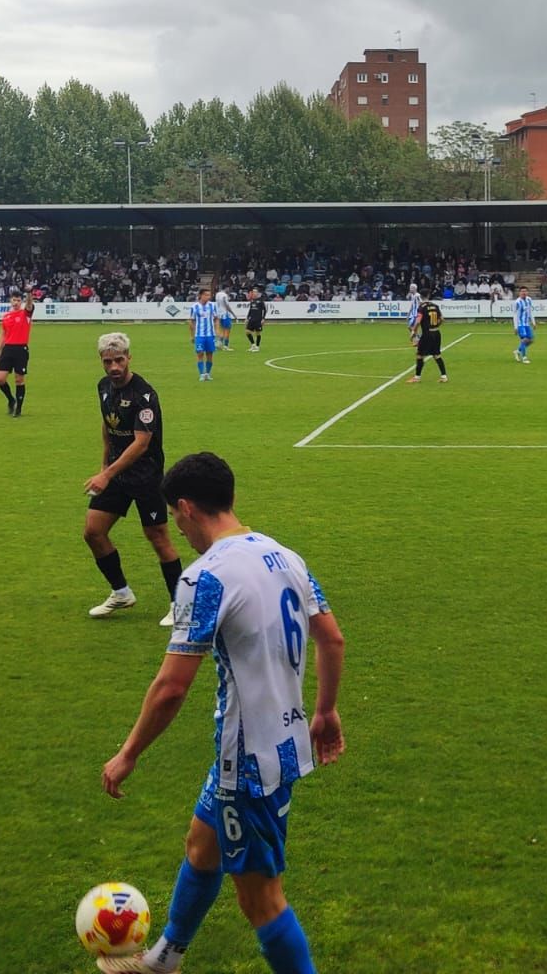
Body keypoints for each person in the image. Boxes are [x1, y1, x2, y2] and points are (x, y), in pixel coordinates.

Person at [99, 451, 346, 974]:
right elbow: (333, 638)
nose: (177, 529)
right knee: (201, 845)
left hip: (249, 762)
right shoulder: (285, 556)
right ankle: (164, 960)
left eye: (175, 516)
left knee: (262, 901)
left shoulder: (204, 577)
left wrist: (128, 754)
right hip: (284, 742)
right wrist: (324, 712)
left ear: (186, 508)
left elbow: (170, 688)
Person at [85, 332, 184, 627]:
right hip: (116, 473)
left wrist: (106, 473)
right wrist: (104, 464)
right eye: (107, 361)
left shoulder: (144, 395)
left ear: (129, 358)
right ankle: (121, 592)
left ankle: (180, 604)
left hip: (145, 475)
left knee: (157, 537)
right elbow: (107, 425)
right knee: (93, 532)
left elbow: (141, 443)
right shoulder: (103, 387)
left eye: (119, 360)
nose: (114, 367)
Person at [0, 293, 33, 416]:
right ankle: (11, 399)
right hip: (8, 349)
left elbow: (30, 305)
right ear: (10, 301)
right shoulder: (6, 316)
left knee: (19, 379)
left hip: (21, 349)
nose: (16, 302)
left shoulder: (25, 313)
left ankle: (19, 409)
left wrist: (29, 294)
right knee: (0, 379)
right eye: (14, 300)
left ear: (22, 302)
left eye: (18, 300)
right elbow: (3, 334)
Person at [407, 297, 447, 384]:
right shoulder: (435, 306)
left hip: (427, 334)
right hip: (436, 333)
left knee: (420, 355)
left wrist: (413, 332)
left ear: (421, 297)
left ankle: (417, 378)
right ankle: (444, 377)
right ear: (428, 296)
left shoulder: (422, 307)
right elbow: (442, 319)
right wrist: (436, 326)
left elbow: (417, 322)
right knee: (437, 355)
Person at [190, 289, 217, 382]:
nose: (208, 297)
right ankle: (202, 374)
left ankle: (208, 374)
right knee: (200, 353)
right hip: (199, 335)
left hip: (210, 335)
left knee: (210, 354)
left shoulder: (212, 306)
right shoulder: (195, 307)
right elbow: (192, 321)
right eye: (206, 295)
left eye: (209, 295)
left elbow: (216, 318)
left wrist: (217, 330)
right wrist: (192, 335)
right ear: (201, 295)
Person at [512, 286, 536, 364]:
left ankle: (518, 351)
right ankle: (524, 357)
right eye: (522, 291)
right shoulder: (517, 302)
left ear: (527, 292)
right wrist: (515, 327)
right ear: (519, 293)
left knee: (531, 340)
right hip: (520, 324)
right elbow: (515, 315)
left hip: (527, 324)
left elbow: (530, 312)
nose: (524, 293)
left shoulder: (529, 300)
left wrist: (533, 322)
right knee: (524, 340)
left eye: (525, 291)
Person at [245, 287, 267, 353]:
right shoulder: (252, 301)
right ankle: (253, 345)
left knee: (257, 333)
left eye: (255, 292)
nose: (254, 293)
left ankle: (257, 347)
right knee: (247, 332)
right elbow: (250, 310)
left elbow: (264, 310)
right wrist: (247, 318)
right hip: (251, 319)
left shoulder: (261, 301)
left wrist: (263, 318)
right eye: (253, 292)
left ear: (258, 293)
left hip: (258, 319)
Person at [215, 285, 235, 351]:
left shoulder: (217, 294)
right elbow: (226, 305)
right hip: (225, 314)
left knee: (222, 330)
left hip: (219, 314)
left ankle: (219, 343)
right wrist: (233, 313)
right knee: (227, 330)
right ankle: (226, 346)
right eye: (228, 288)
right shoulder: (225, 295)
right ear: (226, 288)